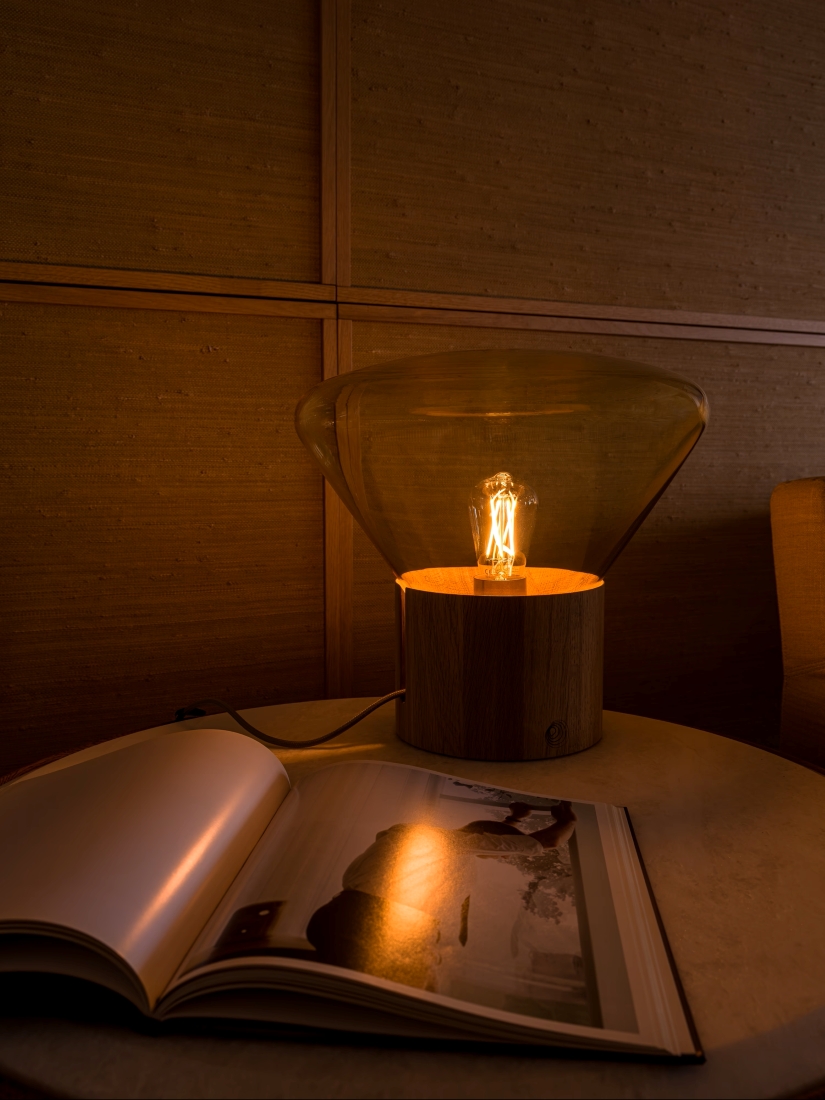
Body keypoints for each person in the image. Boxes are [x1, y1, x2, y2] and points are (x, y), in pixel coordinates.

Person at [306, 800, 577, 990]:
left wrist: (513, 820)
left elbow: (481, 836)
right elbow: (546, 841)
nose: (500, 857)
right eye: (501, 854)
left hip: (337, 916)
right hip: (374, 930)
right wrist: (569, 820)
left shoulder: (417, 838)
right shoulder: (447, 844)